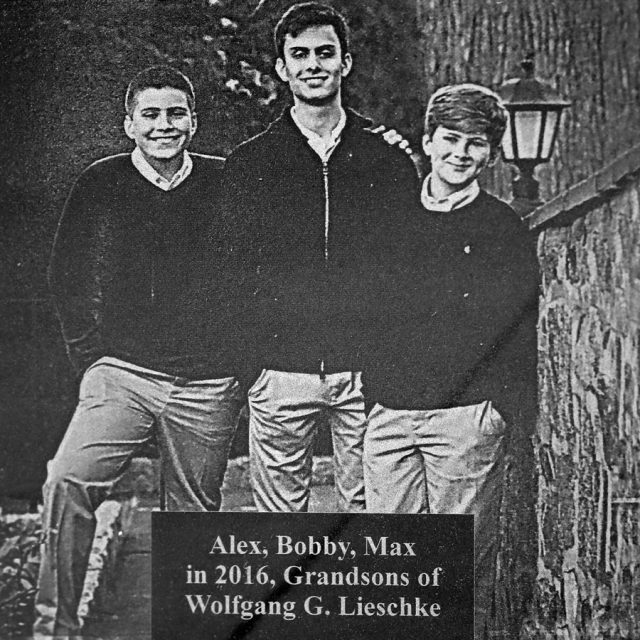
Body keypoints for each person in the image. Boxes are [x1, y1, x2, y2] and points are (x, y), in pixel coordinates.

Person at [34, 66, 243, 638]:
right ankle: (56, 628)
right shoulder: (100, 183)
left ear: (194, 122)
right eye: (150, 114)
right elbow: (67, 276)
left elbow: (260, 276)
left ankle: (184, 629)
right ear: (129, 124)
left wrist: (238, 363)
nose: (164, 125)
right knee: (68, 481)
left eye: (176, 114)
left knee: (192, 515)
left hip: (208, 381)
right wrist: (92, 360)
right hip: (124, 373)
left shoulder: (227, 181)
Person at [223, 2, 419, 513]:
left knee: (370, 515)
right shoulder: (249, 164)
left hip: (367, 373)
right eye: (300, 54)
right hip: (280, 372)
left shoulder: (389, 162)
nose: (313, 64)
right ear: (283, 69)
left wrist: (389, 356)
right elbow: (231, 271)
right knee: (280, 526)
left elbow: (407, 268)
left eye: (325, 53)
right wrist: (254, 365)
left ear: (345, 63)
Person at [362, 84, 540, 638]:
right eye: (451, 139)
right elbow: (367, 305)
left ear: (490, 154)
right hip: (391, 414)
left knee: (459, 568)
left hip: (465, 418)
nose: (461, 153)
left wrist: (498, 413)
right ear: (429, 141)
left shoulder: (501, 226)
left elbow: (517, 326)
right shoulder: (390, 218)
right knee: (392, 563)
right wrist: (373, 395)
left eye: (477, 143)